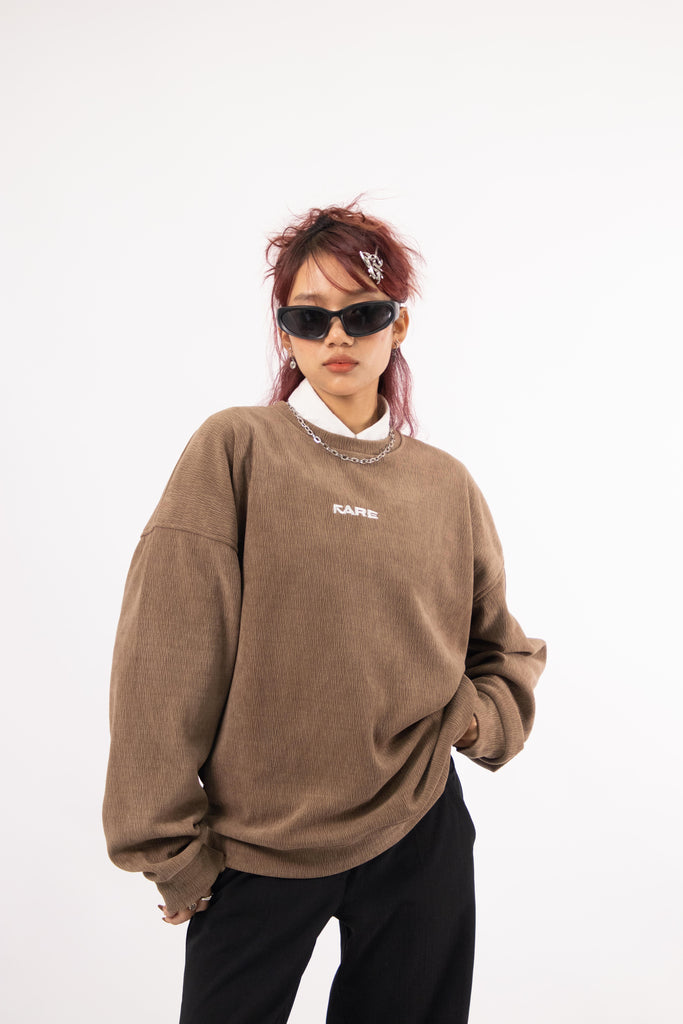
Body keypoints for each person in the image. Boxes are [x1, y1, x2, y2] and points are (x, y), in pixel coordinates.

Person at [102, 198, 547, 1024]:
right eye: (309, 317)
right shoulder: (236, 448)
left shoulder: (443, 485)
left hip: (419, 827)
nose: (336, 336)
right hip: (255, 843)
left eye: (361, 313)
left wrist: (471, 720)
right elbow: (164, 655)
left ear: (398, 324)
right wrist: (169, 851)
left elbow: (503, 650)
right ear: (284, 333)